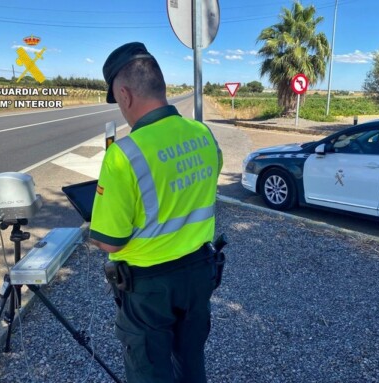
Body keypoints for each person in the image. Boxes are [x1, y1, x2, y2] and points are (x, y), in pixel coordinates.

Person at [89, 42, 223, 383]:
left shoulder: (123, 154)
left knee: (150, 372)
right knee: (191, 363)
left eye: (118, 101)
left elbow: (111, 243)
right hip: (198, 275)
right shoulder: (204, 135)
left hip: (149, 289)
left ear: (125, 94)